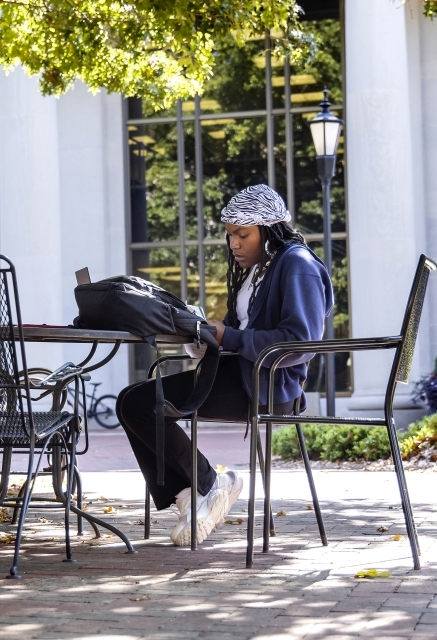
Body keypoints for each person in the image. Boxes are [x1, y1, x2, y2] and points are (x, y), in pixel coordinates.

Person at [116, 184, 333, 546]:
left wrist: (227, 338)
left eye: (242, 234)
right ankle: (195, 496)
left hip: (268, 386)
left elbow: (299, 343)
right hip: (240, 374)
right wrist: (204, 339)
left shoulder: (298, 265)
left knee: (139, 402)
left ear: (268, 229)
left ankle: (207, 486)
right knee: (132, 400)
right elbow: (238, 330)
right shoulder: (259, 272)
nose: (233, 244)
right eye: (230, 235)